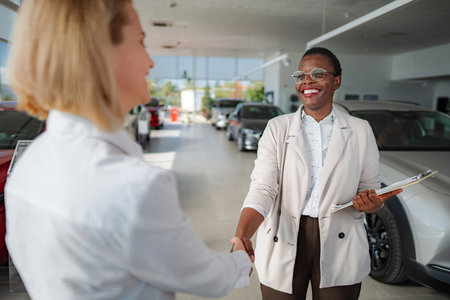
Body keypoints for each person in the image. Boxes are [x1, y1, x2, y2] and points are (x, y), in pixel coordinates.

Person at [5, 1, 251, 299]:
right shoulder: (134, 186)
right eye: (140, 42)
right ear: (100, 53)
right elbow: (203, 277)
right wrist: (240, 258)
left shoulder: (29, 166)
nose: (150, 62)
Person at [231, 47, 402, 300]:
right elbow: (263, 188)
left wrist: (371, 203)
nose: (307, 81)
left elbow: (370, 189)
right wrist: (243, 233)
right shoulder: (278, 128)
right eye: (301, 75)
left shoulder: (360, 130)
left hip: (339, 237)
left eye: (318, 73)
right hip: (285, 233)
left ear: (336, 81)